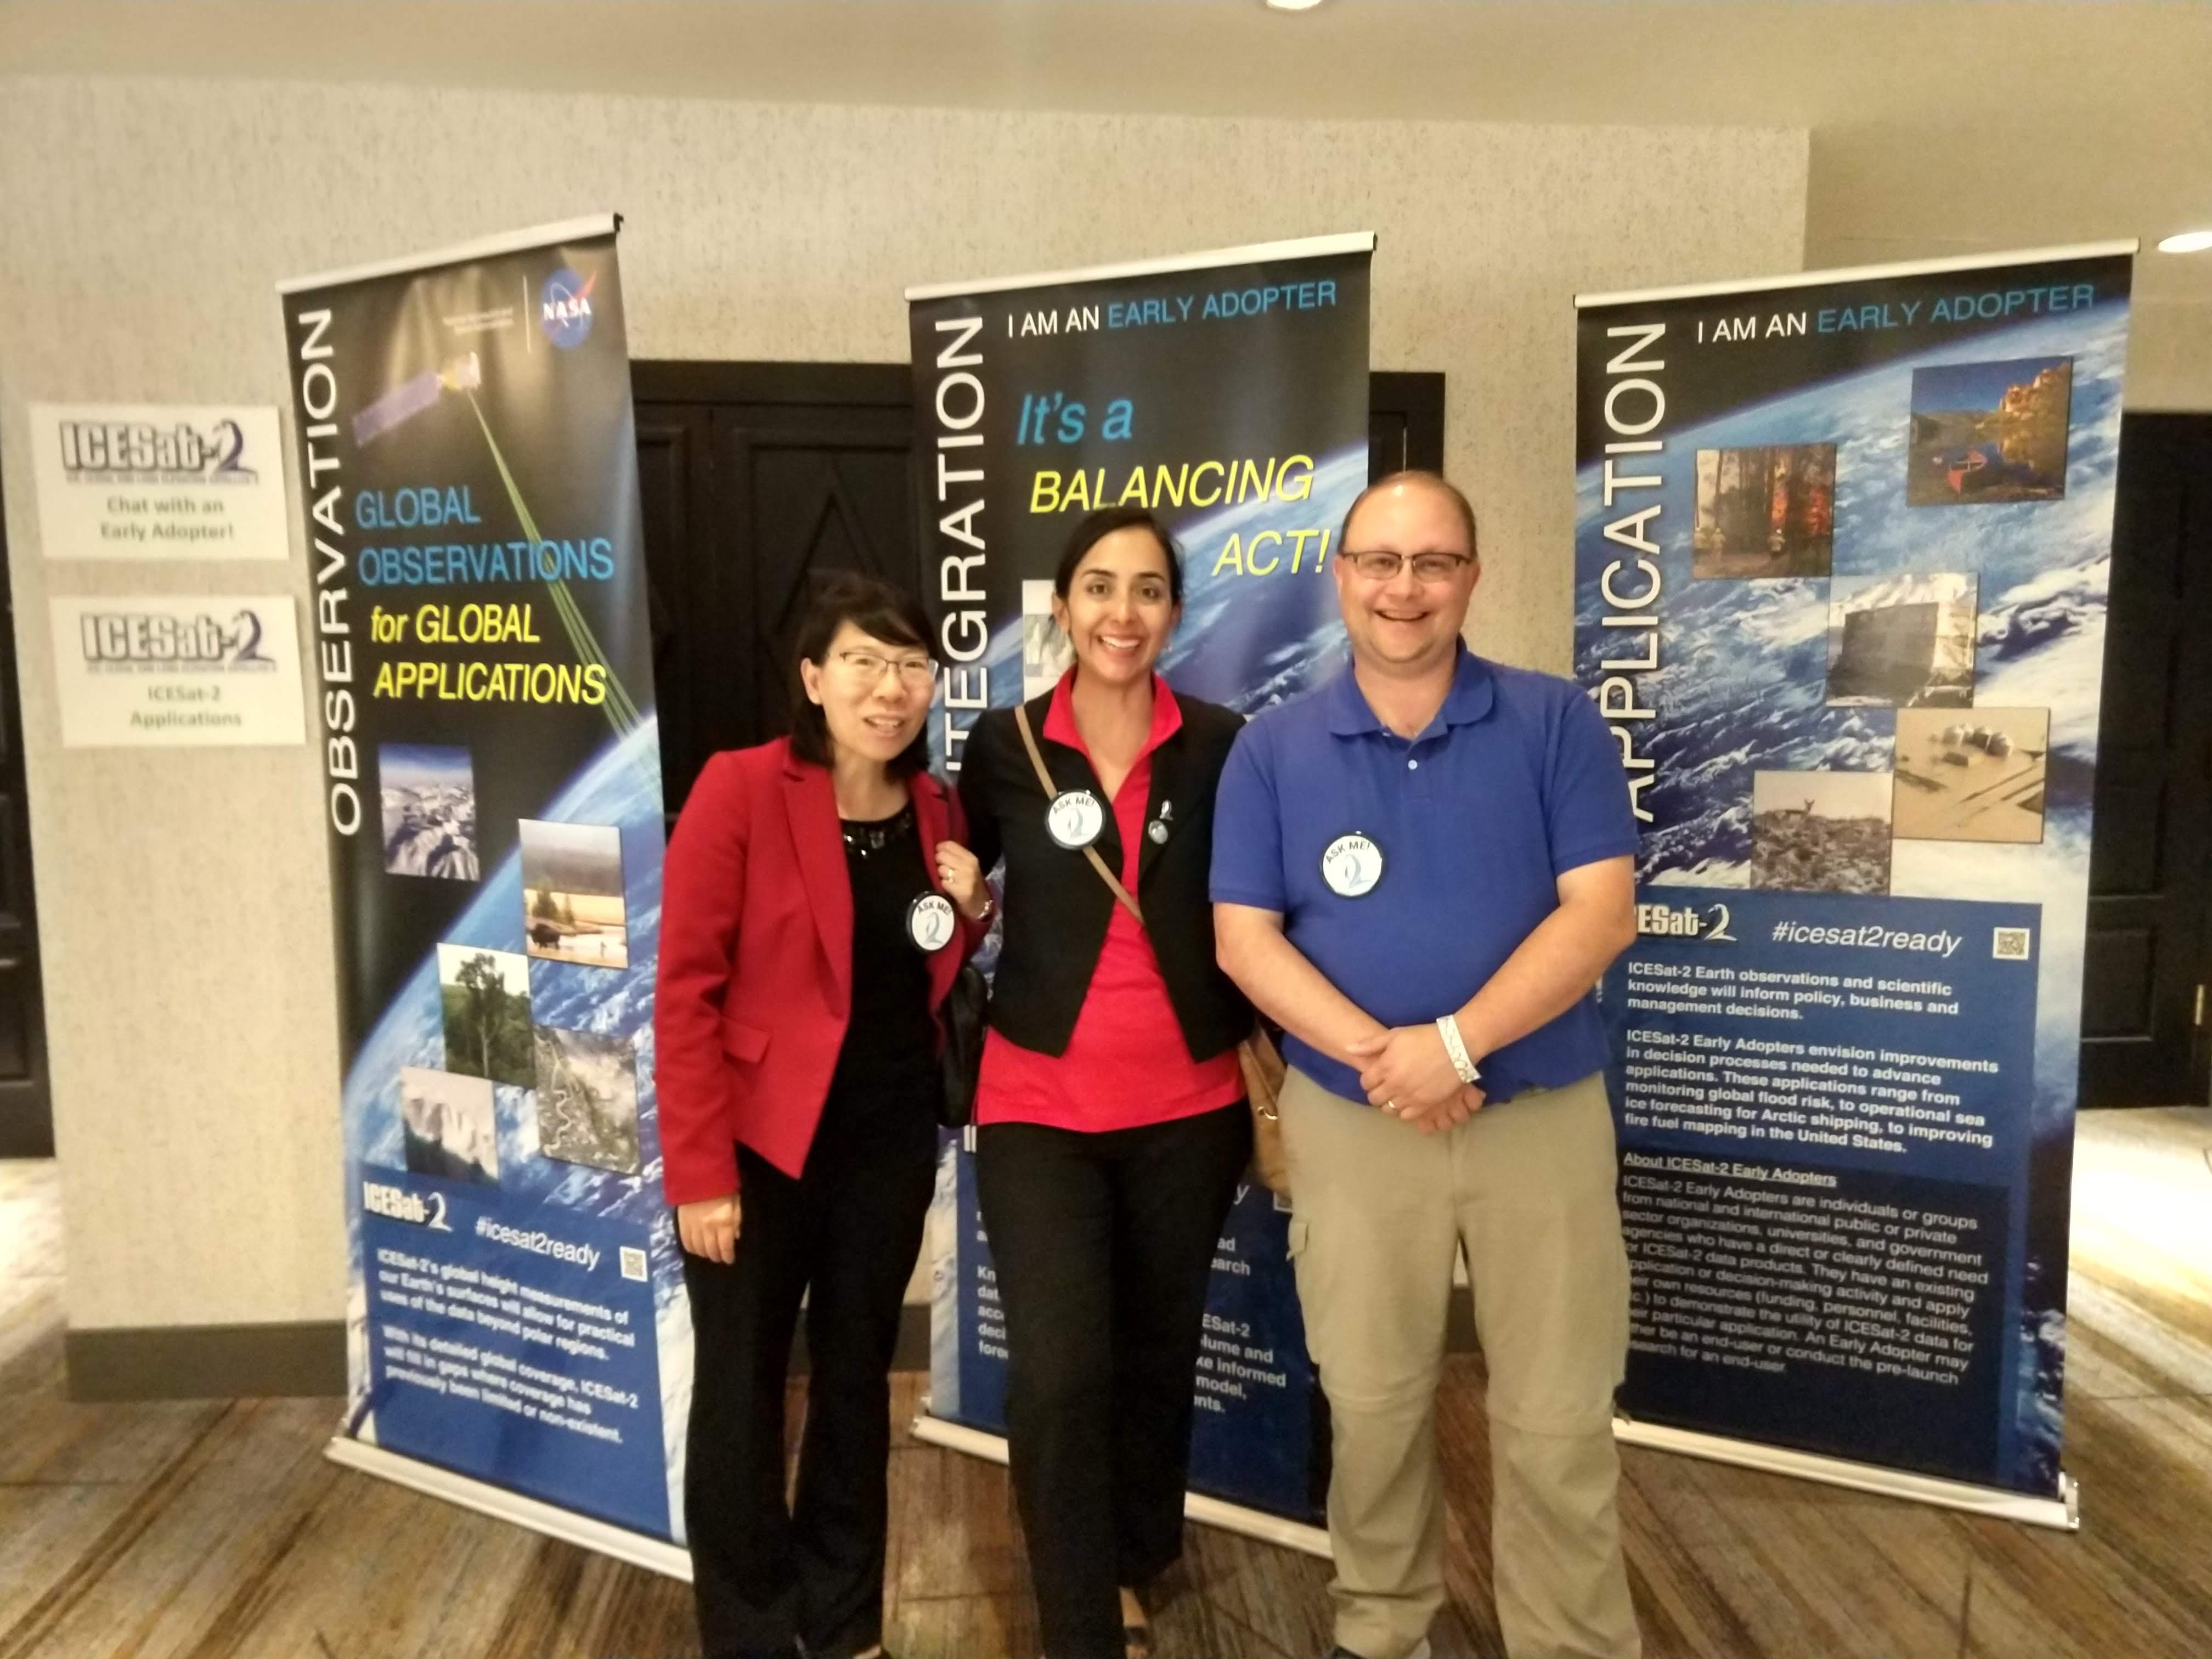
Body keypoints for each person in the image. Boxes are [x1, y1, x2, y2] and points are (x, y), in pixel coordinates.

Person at [1210, 471, 1643, 1659]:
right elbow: (1243, 939)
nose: (1406, 589)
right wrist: (1386, 1059)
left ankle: (1574, 1643)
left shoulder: (1555, 722)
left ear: (1472, 577)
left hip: (1539, 1116)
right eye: (1381, 562)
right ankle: (1383, 1625)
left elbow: (1601, 915)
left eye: (1433, 562)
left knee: (1558, 1419)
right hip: (1355, 1123)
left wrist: (1455, 1045)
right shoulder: (1273, 751)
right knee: (1373, 1402)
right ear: (1342, 576)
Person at [936, 507, 1254, 1659]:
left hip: (1192, 1108)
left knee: (1158, 1349)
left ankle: (1134, 1554)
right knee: (1063, 1370)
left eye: (1151, 589)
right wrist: (968, 896)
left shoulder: (1224, 742)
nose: (1125, 613)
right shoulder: (1002, 743)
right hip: (1038, 1107)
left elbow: (1262, 899)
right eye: (1101, 588)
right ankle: (1080, 1621)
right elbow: (962, 888)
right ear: (1063, 607)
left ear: (1175, 609)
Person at [657, 573, 982, 1659]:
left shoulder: (936, 809)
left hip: (884, 1146)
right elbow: (685, 990)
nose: (891, 688)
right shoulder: (742, 789)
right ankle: (751, 1627)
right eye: (865, 662)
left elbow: (924, 960)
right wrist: (699, 1173)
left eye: (912, 667)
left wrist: (974, 909)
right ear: (813, 677)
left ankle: (844, 1622)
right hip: (755, 1148)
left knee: (854, 1381)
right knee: (743, 1386)